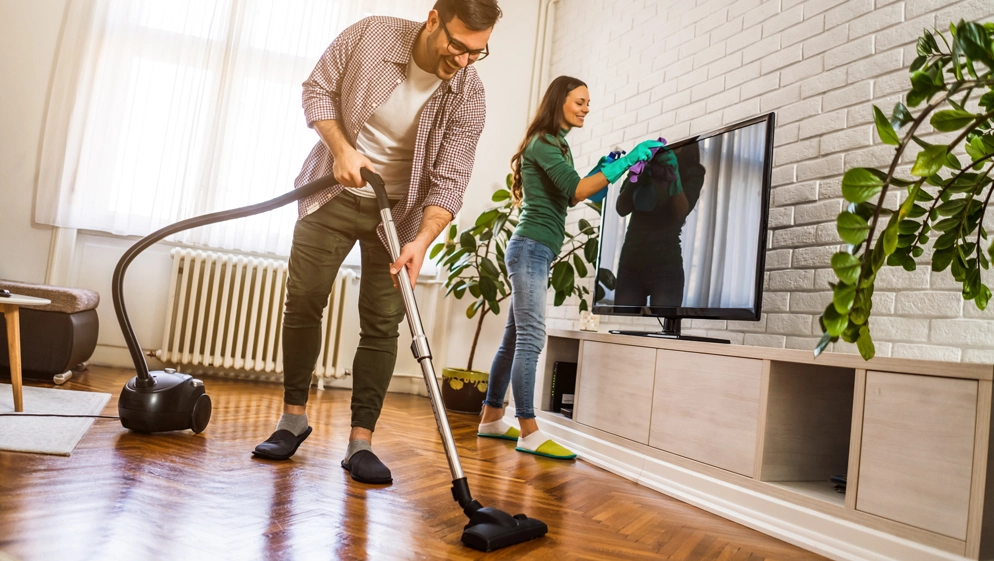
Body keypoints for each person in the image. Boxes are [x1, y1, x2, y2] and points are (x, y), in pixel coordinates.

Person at [252, 0, 502, 486]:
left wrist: (423, 240)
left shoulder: (469, 93)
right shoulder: (371, 35)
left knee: (383, 323)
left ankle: (360, 441)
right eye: (458, 46)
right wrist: (342, 148)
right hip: (332, 191)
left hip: (402, 215)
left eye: (478, 51)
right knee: (304, 301)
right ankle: (292, 419)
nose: (465, 60)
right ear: (434, 19)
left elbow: (450, 179)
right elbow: (317, 91)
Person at [477, 75, 662, 459]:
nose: (586, 109)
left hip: (536, 250)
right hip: (530, 248)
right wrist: (628, 160)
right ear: (560, 100)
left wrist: (602, 167)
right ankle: (528, 430)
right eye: (580, 101)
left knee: (514, 339)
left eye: (588, 103)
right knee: (531, 337)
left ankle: (492, 418)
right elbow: (577, 191)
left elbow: (572, 194)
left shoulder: (558, 145)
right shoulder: (543, 143)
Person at [614, 141, 706, 307]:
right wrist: (636, 178)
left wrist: (674, 178)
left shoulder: (693, 171)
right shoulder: (645, 159)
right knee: (624, 323)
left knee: (667, 327)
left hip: (666, 264)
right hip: (631, 261)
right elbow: (622, 208)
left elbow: (680, 213)